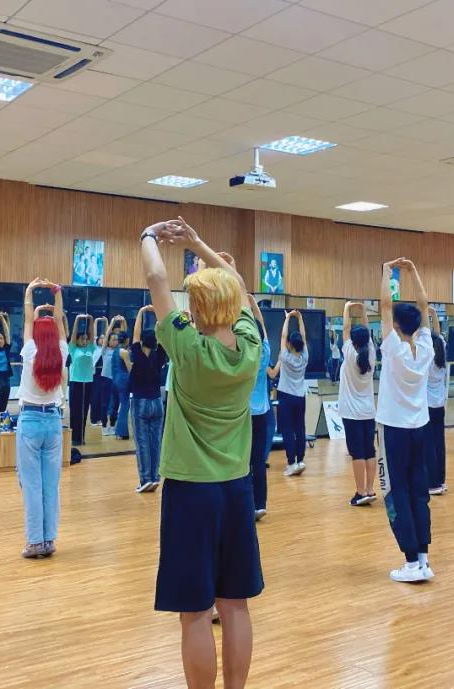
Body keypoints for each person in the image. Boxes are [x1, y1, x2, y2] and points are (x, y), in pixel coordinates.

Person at [142, 217, 262, 689]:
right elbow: (239, 285)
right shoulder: (250, 346)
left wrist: (148, 237)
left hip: (191, 491)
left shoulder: (186, 345)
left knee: (194, 612)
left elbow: (156, 277)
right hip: (236, 490)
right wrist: (197, 243)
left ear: (196, 308)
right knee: (235, 605)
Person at [375, 258, 435, 583]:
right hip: (419, 429)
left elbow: (385, 304)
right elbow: (424, 306)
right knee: (418, 491)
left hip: (394, 430)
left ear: (396, 326)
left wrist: (388, 271)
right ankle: (423, 557)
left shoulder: (393, 348)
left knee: (396, 491)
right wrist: (413, 272)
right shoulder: (425, 347)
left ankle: (411, 562)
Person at [16, 278, 67, 558]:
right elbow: (59, 322)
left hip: (31, 422)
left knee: (32, 485)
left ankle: (35, 541)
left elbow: (28, 322)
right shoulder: (61, 353)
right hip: (53, 423)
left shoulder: (30, 352)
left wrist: (30, 294)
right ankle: (48, 540)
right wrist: (57, 294)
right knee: (50, 486)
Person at [339, 301, 377, 507]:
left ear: (352, 341)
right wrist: (363, 311)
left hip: (352, 414)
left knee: (358, 453)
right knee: (369, 450)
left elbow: (346, 328)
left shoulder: (350, 353)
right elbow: (365, 331)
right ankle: (370, 489)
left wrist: (347, 307)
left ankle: (360, 492)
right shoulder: (371, 353)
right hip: (368, 412)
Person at [129, 304, 168, 493]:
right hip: (157, 402)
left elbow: (135, 335)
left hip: (140, 402)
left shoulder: (137, 355)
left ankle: (145, 479)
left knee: (142, 442)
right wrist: (159, 315)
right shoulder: (159, 356)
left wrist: (141, 312)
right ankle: (155, 477)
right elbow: (162, 336)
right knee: (156, 442)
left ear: (143, 342)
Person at [246, 294, 273, 520]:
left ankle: (246, 504)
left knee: (243, 461)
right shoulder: (265, 352)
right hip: (261, 415)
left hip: (243, 415)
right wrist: (253, 303)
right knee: (258, 461)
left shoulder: (244, 355)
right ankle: (260, 504)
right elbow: (261, 326)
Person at [273, 310, 308, 477]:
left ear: (290, 344)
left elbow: (282, 336)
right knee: (300, 429)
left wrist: (287, 318)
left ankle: (291, 463)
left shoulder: (285, 357)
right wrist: (300, 318)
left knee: (287, 430)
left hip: (286, 396)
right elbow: (304, 337)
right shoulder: (305, 356)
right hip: (300, 397)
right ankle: (300, 460)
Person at [425, 306, 450, 496]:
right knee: (439, 444)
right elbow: (438, 336)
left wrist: (427, 315)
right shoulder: (442, 355)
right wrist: (433, 314)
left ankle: (433, 483)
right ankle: (441, 480)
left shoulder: (427, 358)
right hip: (439, 407)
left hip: (427, 408)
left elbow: (433, 336)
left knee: (429, 446)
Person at [67, 314, 95, 447]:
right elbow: (73, 336)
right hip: (76, 383)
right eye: (82, 339)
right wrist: (78, 319)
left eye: (86, 339)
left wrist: (91, 320)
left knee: (84, 410)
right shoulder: (73, 349)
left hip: (88, 383)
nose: (84, 341)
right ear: (77, 340)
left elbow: (92, 334)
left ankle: (81, 436)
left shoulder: (90, 348)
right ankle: (74, 437)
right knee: (75, 410)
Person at [112, 329, 132, 440]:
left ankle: (119, 430)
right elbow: (129, 369)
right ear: (127, 340)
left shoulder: (115, 350)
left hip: (116, 378)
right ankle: (122, 431)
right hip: (124, 379)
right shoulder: (124, 352)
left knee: (122, 404)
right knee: (125, 405)